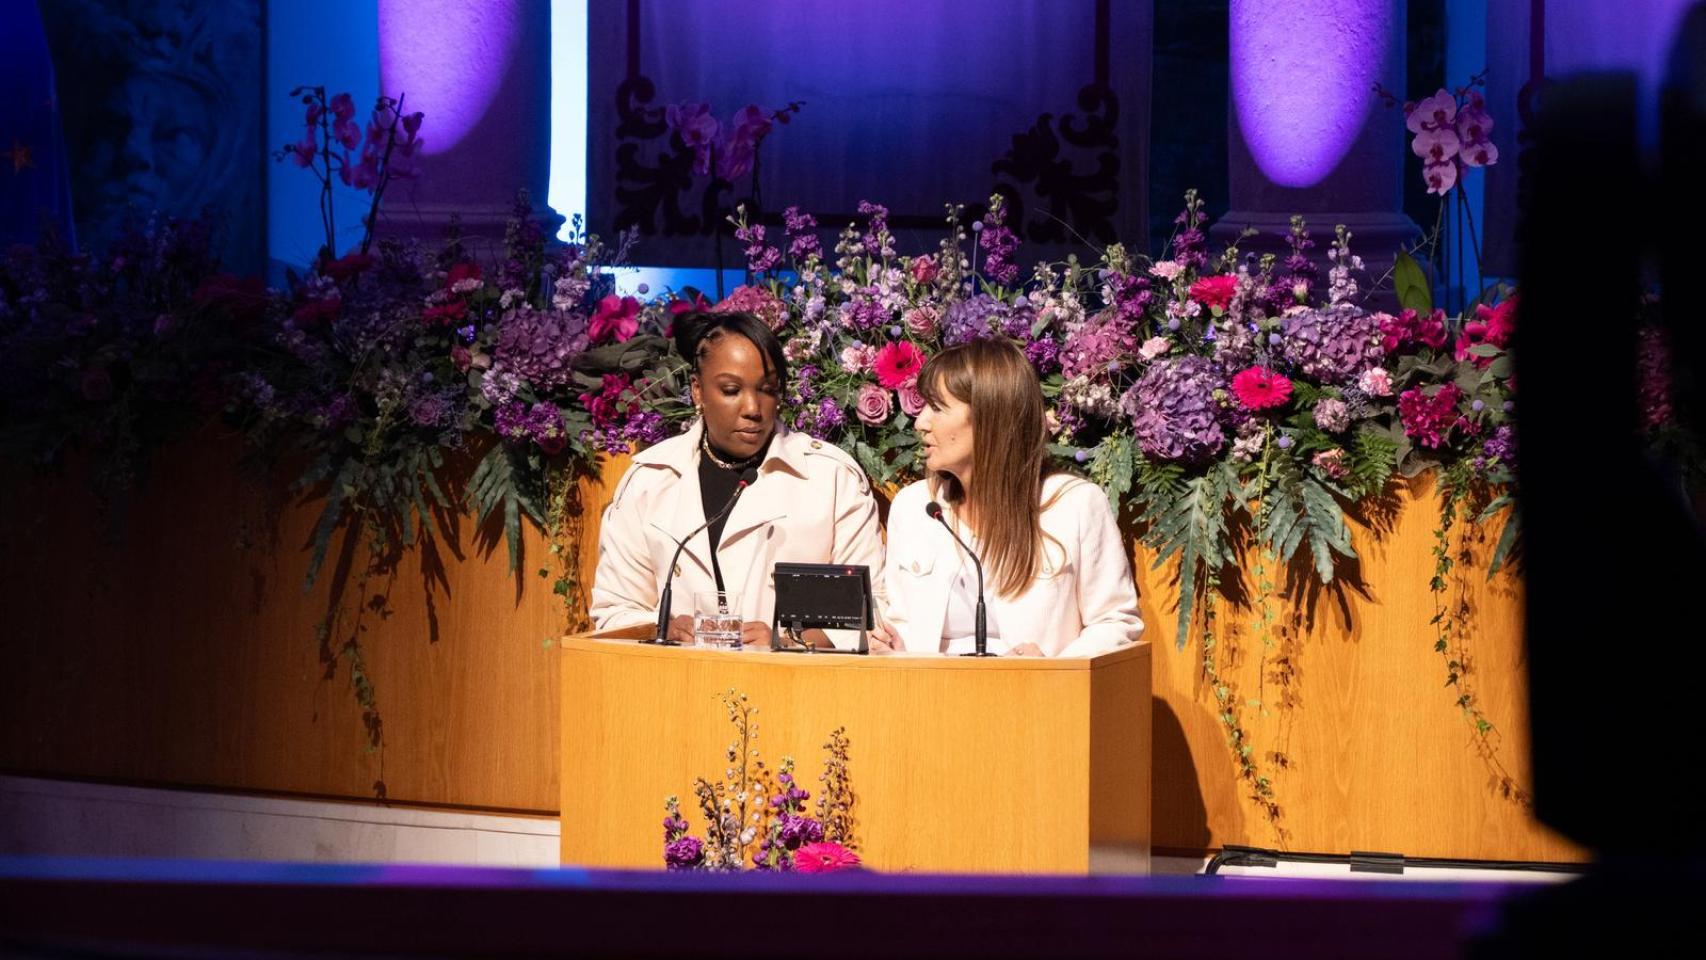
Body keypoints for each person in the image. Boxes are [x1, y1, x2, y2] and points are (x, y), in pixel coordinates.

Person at [590, 311, 885, 647]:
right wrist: (664, 628)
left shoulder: (832, 478)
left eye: (768, 389)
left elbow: (874, 608)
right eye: (731, 389)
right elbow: (614, 610)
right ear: (698, 391)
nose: (753, 408)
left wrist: (789, 640)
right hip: (680, 685)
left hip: (798, 688)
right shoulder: (649, 480)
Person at [882, 339, 1142, 656]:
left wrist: (1052, 670)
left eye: (937, 408)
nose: (921, 422)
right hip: (928, 697)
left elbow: (1116, 623)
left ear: (990, 416)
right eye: (923, 407)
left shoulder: (1075, 505)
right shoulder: (915, 507)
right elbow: (901, 620)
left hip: (1037, 699)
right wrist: (891, 642)